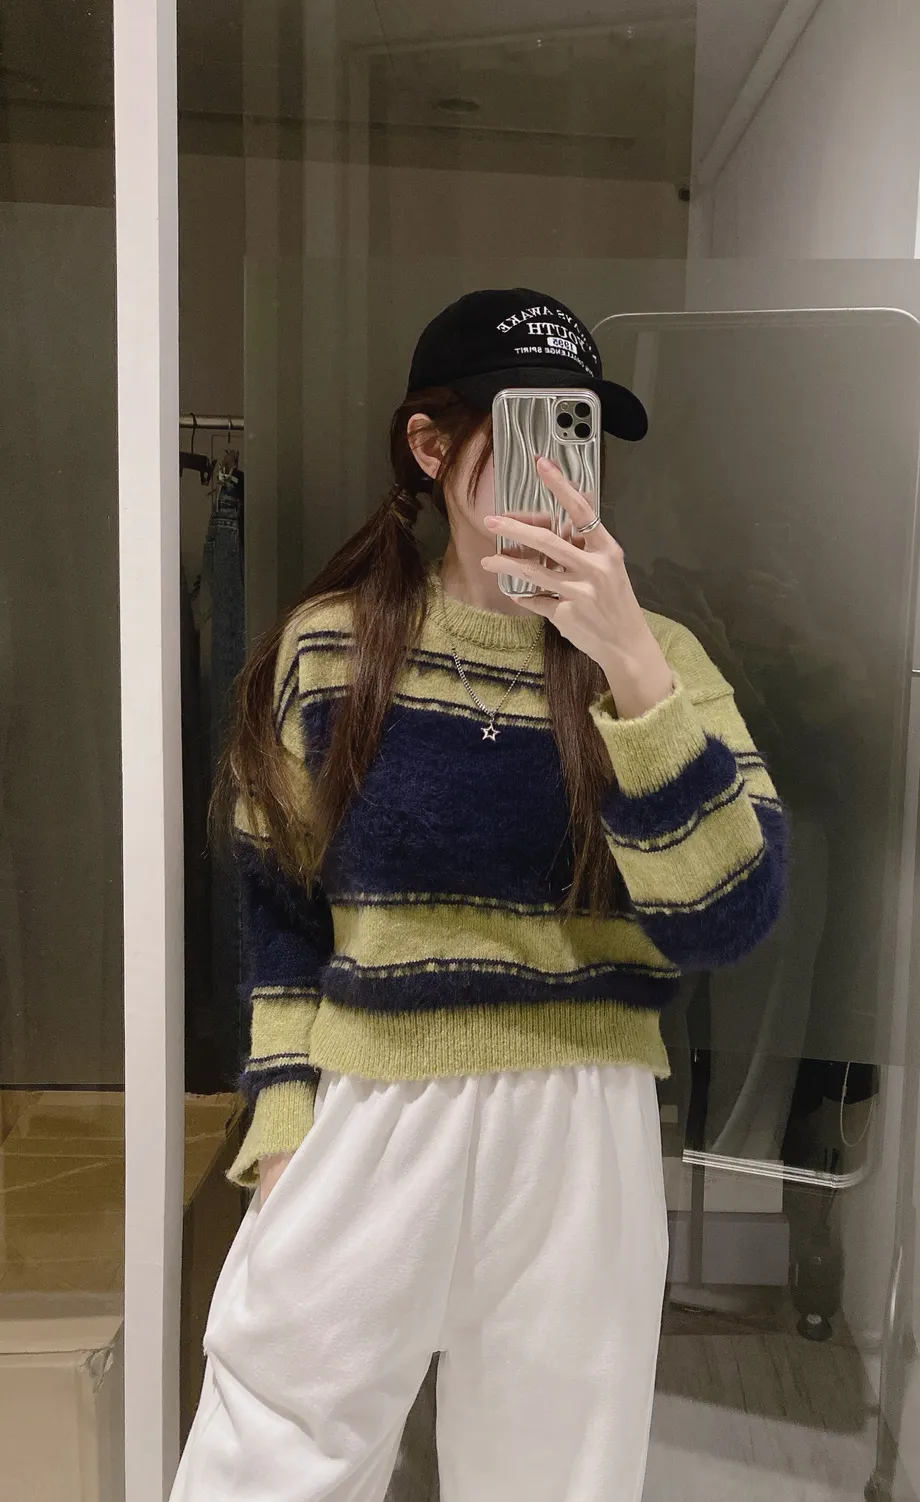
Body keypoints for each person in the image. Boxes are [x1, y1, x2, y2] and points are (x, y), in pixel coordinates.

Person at [170, 288, 786, 1502]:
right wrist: (284, 1123)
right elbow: (280, 915)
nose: (563, 472)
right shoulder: (331, 649)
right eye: (531, 430)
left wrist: (631, 666)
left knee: (557, 1474)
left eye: (580, 436)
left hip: (583, 1122)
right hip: (372, 1107)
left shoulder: (658, 659)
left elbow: (731, 916)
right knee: (270, 1452)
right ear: (430, 444)